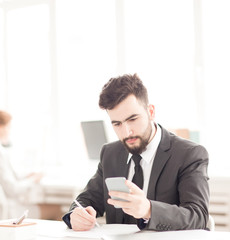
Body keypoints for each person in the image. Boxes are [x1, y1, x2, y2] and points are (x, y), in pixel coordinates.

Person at [62, 73, 210, 231]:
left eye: (132, 119)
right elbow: (86, 200)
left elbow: (198, 216)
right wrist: (77, 215)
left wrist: (149, 210)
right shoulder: (110, 153)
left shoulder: (189, 154)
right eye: (117, 124)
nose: (126, 132)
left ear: (151, 112)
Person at [0, 109, 62, 221]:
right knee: (56, 209)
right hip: (10, 212)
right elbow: (13, 189)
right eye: (9, 127)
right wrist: (33, 180)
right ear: (1, 128)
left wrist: (28, 176)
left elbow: (6, 177)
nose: (10, 131)